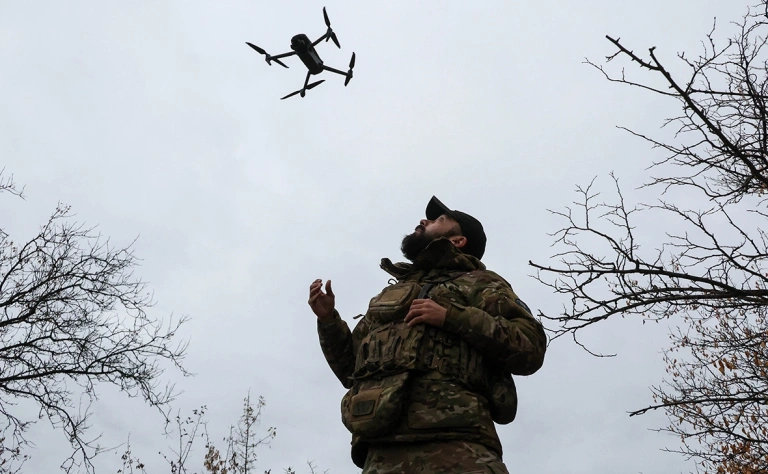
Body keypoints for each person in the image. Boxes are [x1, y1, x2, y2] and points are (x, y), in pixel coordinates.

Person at [308, 196, 547, 474]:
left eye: (438, 220)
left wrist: (451, 316)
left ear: (458, 241)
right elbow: (351, 371)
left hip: (458, 445)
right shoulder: (390, 296)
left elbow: (530, 347)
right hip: (381, 451)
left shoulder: (481, 283)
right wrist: (328, 321)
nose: (424, 221)